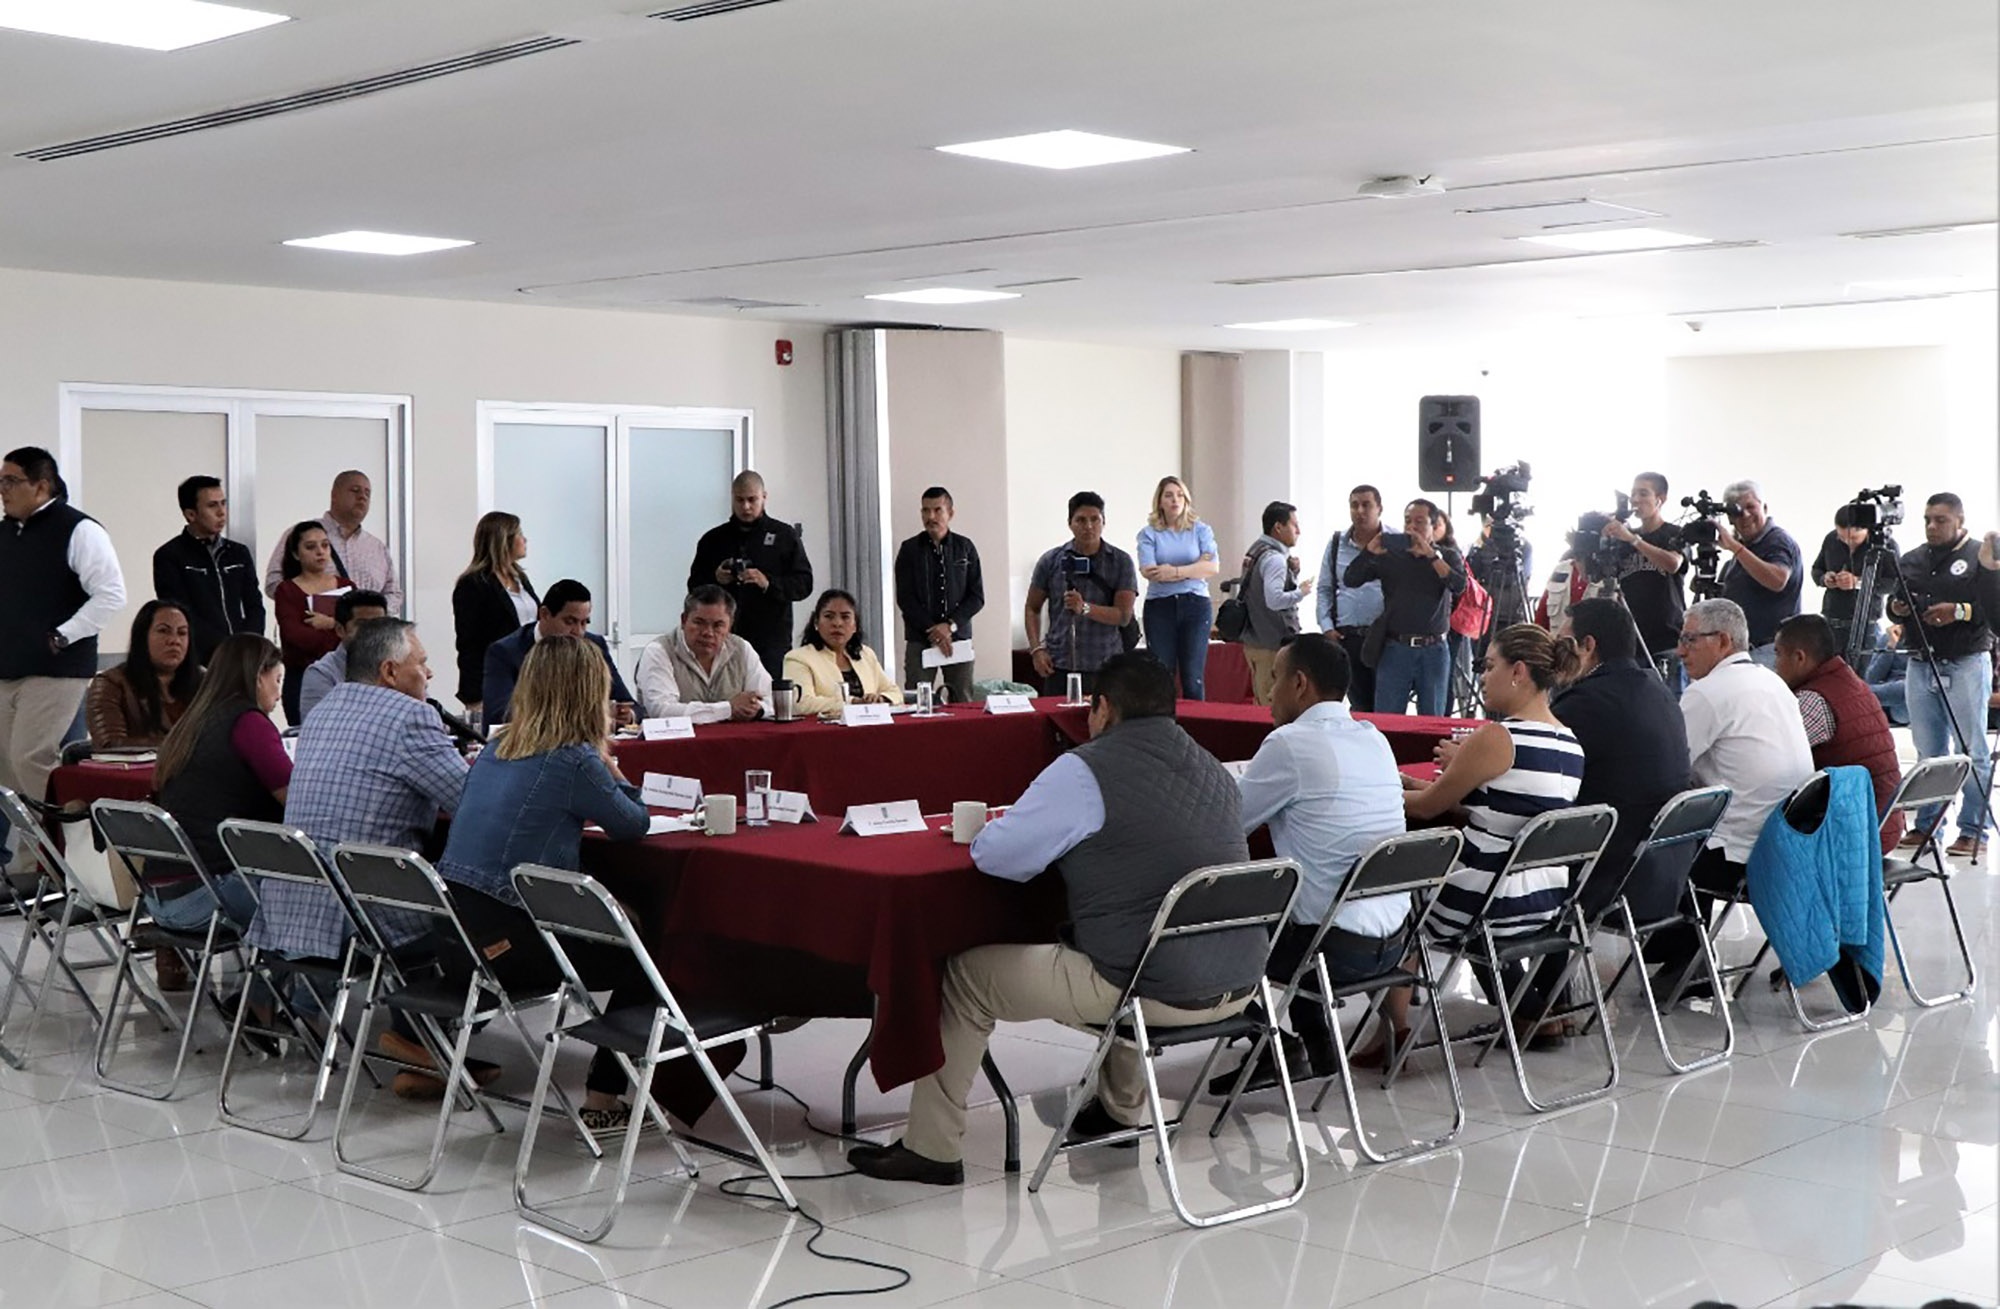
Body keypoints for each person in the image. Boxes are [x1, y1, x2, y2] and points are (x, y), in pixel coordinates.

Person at [846, 655, 1261, 1186]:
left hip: (1153, 990)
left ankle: (931, 1147)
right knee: (1140, 937)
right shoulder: (1214, 768)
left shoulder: (1086, 771)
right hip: (1241, 983)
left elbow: (1001, 858)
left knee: (966, 979)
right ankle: (1118, 1110)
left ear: (1103, 707)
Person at [435, 636, 660, 1135]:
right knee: (647, 948)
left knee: (621, 920)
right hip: (513, 944)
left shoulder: (496, 747)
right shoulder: (574, 759)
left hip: (459, 936)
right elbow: (632, 824)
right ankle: (604, 1096)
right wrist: (613, 768)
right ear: (589, 692)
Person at [1373, 624, 1585, 1058]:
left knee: (1398, 897)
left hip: (1484, 901)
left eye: (1489, 665)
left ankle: (1391, 1032)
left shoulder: (1500, 737)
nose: (1481, 675)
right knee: (1459, 886)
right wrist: (1406, 784)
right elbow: (1499, 811)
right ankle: (1529, 1011)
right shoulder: (1569, 741)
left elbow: (1430, 807)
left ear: (1519, 671)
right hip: (1543, 900)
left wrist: (1370, 790)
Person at [1212, 634, 1406, 1091]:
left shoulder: (1290, 744)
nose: (1266, 691)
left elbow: (1227, 825)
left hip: (1328, 951)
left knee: (1202, 936)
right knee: (1307, 898)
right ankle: (1315, 1046)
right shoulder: (1374, 739)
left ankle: (1270, 1044)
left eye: (1275, 678)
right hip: (1392, 946)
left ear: (1300, 684)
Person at [248, 618, 467, 980]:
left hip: (292, 907)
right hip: (366, 912)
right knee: (486, 909)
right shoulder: (411, 716)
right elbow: (470, 801)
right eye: (422, 663)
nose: (428, 674)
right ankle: (423, 1026)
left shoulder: (322, 711)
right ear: (390, 671)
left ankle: (321, 1014)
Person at [1644, 598, 1815, 994]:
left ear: (1722, 641)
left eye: (1689, 639)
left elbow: (1668, 767)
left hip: (1744, 859)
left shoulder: (1709, 692)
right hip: (1793, 845)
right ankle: (1678, 952)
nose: (1681, 650)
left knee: (1660, 833)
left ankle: (1687, 960)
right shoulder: (1771, 680)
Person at [0, 446, 125, 872]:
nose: (3, 490)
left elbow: (110, 595)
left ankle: (80, 848)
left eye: (11, 481)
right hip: (8, 667)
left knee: (30, 756)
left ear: (42, 485)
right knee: (6, 768)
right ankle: (35, 860)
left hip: (55, 668)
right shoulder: (6, 534)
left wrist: (62, 635)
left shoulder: (79, 530)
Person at [1551, 598, 1693, 922]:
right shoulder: (1658, 691)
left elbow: (1536, 778)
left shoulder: (1586, 703)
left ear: (1587, 646)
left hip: (1607, 874)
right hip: (1664, 869)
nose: (1555, 657)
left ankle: (1532, 975)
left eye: (1562, 644)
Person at [152, 634, 288, 925]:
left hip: (160, 896)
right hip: (209, 893)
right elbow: (296, 800)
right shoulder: (249, 723)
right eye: (277, 681)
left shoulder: (192, 721)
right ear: (258, 678)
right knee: (327, 897)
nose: (278, 694)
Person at [1887, 493, 1993, 859]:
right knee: (1929, 753)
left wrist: (1959, 612)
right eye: (1928, 519)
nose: (1932, 526)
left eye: (1941, 520)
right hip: (1920, 661)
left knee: (1972, 750)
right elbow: (1894, 601)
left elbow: (1991, 607)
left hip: (1965, 661)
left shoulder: (1980, 556)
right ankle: (1929, 826)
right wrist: (1897, 608)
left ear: (1960, 521)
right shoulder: (1913, 558)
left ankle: (1973, 830)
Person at [1773, 614, 1904, 854]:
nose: (1775, 664)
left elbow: (1774, 757)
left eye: (1778, 654)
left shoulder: (1813, 700)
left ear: (1799, 657)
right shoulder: (1850, 682)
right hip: (1883, 820)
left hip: (1856, 831)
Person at [1342, 498, 1466, 716]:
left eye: (1419, 521)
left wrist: (1431, 556)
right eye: (1407, 521)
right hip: (1396, 648)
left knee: (1433, 720)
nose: (1412, 527)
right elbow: (1351, 579)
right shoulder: (1390, 556)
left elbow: (1458, 585)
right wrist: (1369, 552)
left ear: (1434, 526)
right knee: (1387, 719)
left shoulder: (1447, 556)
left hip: (1434, 650)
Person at [686, 471, 815, 677]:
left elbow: (804, 584)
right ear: (731, 497)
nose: (746, 506)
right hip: (722, 639)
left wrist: (768, 583)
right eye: (739, 500)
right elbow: (694, 589)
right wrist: (716, 580)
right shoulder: (713, 540)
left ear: (764, 497)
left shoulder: (784, 536)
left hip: (770, 640)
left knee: (768, 700)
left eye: (752, 500)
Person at [1026, 492, 1140, 699]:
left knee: (1107, 728)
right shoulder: (1051, 560)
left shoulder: (1121, 562)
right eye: (1081, 520)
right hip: (1059, 665)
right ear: (1070, 524)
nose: (1088, 526)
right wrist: (1036, 650)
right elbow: (1032, 608)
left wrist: (1085, 608)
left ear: (1104, 522)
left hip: (1106, 666)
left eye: (1095, 519)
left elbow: (1123, 615)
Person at [480, 579, 636, 728]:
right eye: (570, 622)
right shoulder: (506, 652)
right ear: (545, 614)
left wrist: (627, 716)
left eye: (584, 623)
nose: (578, 632)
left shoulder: (594, 645)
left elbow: (630, 704)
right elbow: (500, 714)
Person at [152, 475, 265, 663]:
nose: (221, 512)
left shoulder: (238, 552)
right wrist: (223, 649)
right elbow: (180, 613)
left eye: (223, 503)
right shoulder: (169, 556)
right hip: (199, 659)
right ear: (191, 514)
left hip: (243, 656)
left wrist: (248, 644)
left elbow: (254, 604)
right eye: (212, 506)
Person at [892, 486, 984, 705]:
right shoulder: (909, 549)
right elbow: (905, 598)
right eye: (925, 511)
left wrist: (949, 627)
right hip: (920, 638)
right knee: (917, 701)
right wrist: (933, 630)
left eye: (937, 510)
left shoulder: (965, 548)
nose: (930, 517)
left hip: (958, 638)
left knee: (962, 700)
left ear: (950, 513)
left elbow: (977, 596)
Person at [263, 469, 402, 613]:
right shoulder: (302, 534)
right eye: (355, 490)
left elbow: (395, 594)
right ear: (334, 495)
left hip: (367, 633)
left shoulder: (377, 547)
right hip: (314, 629)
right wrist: (313, 604)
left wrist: (372, 614)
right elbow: (274, 583)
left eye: (367, 493)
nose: (362, 497)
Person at [1135, 476, 1219, 700]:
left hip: (1195, 604)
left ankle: (1196, 727)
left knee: (1193, 676)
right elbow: (1150, 571)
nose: (1175, 500)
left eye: (1180, 495)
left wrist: (1174, 572)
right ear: (1160, 501)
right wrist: (1194, 567)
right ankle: (1163, 727)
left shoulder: (1201, 530)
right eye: (1169, 495)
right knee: (1162, 674)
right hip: (1160, 606)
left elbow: (1211, 567)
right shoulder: (1149, 533)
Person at [635, 587, 772, 723]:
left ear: (730, 626)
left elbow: (772, 700)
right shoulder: (659, 651)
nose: (708, 633)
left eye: (718, 625)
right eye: (699, 623)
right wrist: (728, 709)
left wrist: (757, 709)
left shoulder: (741, 648)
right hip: (676, 743)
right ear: (683, 620)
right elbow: (662, 711)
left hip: (735, 742)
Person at [1602, 472, 1688, 686]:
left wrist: (1634, 539)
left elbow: (1673, 564)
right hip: (1630, 643)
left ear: (1660, 499)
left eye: (1643, 493)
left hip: (1667, 640)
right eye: (1633, 494)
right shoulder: (1623, 540)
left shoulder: (1674, 533)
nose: (1636, 500)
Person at [451, 511, 537, 723]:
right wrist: (474, 695)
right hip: (497, 678)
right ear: (503, 540)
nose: (525, 540)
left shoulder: (520, 578)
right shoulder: (473, 584)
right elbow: (468, 643)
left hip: (531, 676)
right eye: (519, 534)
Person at [86, 600, 200, 749]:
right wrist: (186, 747)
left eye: (182, 633)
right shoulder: (111, 683)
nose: (174, 640)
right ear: (142, 636)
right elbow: (110, 745)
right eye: (163, 631)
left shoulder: (205, 681)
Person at [1315, 485, 1387, 713]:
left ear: (1379, 509)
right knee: (1360, 706)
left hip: (1386, 638)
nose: (1360, 511)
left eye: (1366, 505)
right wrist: (1327, 627)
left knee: (1388, 707)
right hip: (1348, 637)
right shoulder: (1337, 543)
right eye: (1354, 505)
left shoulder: (1394, 541)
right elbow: (1325, 588)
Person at [273, 520, 351, 726]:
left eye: (325, 545)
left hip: (347, 676)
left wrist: (331, 624)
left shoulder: (347, 586)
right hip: (301, 677)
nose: (320, 552)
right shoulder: (287, 590)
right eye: (311, 547)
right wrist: (340, 631)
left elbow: (361, 632)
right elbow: (297, 638)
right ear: (296, 554)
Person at [1716, 480, 1802, 667]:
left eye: (1751, 507)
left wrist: (1735, 547)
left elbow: (1777, 580)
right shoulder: (1745, 548)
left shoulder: (1777, 540)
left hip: (1769, 650)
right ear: (1730, 518)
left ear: (1765, 507)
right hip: (1743, 650)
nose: (1745, 515)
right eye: (1737, 511)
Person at [784, 589, 903, 717]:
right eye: (829, 616)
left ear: (855, 626)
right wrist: (851, 702)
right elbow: (800, 703)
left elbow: (894, 692)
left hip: (869, 727)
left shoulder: (866, 654)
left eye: (845, 617)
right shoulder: (798, 658)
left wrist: (881, 699)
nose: (837, 623)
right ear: (816, 623)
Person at [1238, 501, 1312, 707]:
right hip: (1271, 645)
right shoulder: (1274, 559)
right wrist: (1301, 592)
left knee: (1261, 701)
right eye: (1294, 525)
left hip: (1255, 640)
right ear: (1278, 527)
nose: (1298, 530)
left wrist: (1293, 573)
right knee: (1273, 707)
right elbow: (1274, 600)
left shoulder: (1255, 550)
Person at [1812, 505, 1895, 657]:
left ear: (1866, 530)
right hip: (1832, 621)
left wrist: (1858, 582)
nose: (1847, 542)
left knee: (1861, 677)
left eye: (1853, 538)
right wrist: (1825, 579)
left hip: (1866, 626)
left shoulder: (1885, 546)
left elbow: (1893, 584)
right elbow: (1817, 569)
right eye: (1842, 537)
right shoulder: (1831, 539)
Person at [297, 589, 390, 723]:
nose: (372, 632)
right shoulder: (322, 674)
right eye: (362, 625)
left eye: (379, 624)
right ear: (340, 630)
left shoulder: (400, 664)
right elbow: (317, 728)